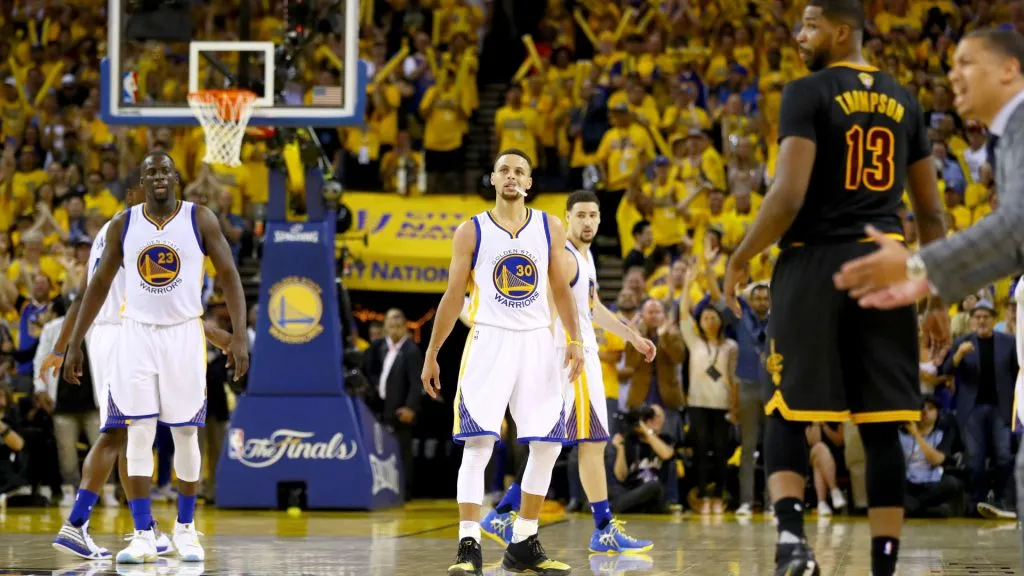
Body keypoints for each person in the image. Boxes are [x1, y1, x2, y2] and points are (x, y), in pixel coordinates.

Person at [721, 2, 947, 575]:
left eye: (810, 25)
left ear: (841, 30)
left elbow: (789, 196)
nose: (800, 37)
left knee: (785, 408)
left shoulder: (807, 91)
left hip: (814, 264)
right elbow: (932, 214)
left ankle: (794, 542)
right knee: (880, 423)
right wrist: (938, 297)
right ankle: (884, 564)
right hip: (886, 268)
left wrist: (743, 254)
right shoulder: (906, 99)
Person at [832, 28, 1024, 567]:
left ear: (1009, 69)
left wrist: (918, 263)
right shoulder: (1006, 137)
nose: (953, 73)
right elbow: (1016, 242)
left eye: (967, 61)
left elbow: (1016, 225)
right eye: (951, 62)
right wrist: (928, 284)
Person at [62, 152, 249, 565]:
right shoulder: (124, 224)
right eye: (151, 172)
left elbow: (230, 275)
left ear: (176, 177)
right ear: (142, 181)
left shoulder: (200, 219)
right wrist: (74, 342)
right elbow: (97, 285)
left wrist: (238, 336)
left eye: (165, 170)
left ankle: (185, 529)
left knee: (185, 433)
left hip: (184, 332)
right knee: (138, 431)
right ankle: (143, 533)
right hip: (136, 334)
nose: (159, 177)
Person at [421, 149, 582, 576]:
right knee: (479, 445)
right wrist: (433, 351)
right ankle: (468, 543)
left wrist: (576, 339)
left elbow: (562, 290)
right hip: (489, 340)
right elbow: (453, 297)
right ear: (493, 179)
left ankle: (525, 539)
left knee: (548, 443)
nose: (512, 177)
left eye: (520, 171)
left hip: (537, 341)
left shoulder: (550, 225)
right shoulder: (470, 231)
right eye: (505, 170)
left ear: (529, 182)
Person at [480, 190, 657, 555]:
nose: (588, 221)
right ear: (567, 217)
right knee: (568, 442)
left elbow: (593, 308)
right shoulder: (563, 257)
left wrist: (633, 336)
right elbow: (542, 307)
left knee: (580, 443)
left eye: (593, 215)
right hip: (568, 356)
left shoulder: (584, 259)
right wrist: (542, 353)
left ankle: (591, 525)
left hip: (579, 353)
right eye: (580, 215)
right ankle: (514, 514)